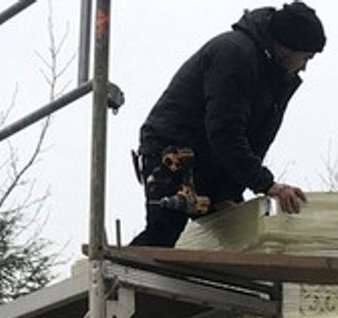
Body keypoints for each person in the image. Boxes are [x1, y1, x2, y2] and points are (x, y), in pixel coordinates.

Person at [127, 3, 326, 248]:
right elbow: (225, 131)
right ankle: (114, 277)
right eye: (305, 56)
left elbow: (253, 140)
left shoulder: (275, 77)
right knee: (165, 232)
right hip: (173, 149)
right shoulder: (235, 54)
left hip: (213, 159)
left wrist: (227, 192)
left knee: (237, 237)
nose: (305, 66)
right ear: (286, 46)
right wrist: (267, 184)